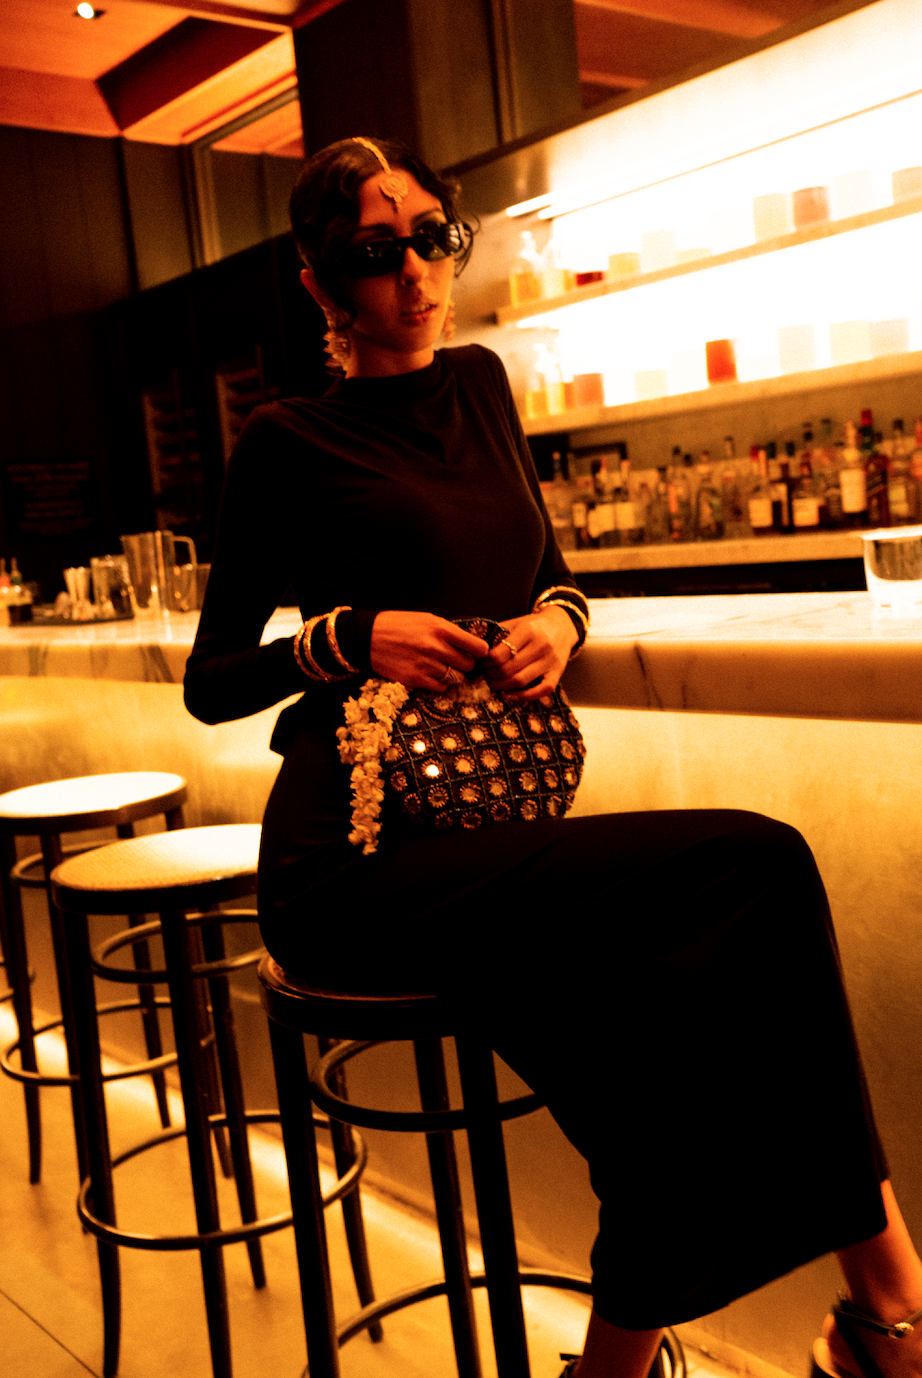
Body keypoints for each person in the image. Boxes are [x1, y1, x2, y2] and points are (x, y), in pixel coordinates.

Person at [183, 136, 922, 1378]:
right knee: (761, 863)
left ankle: (677, 1360)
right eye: (376, 252)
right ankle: (893, 1307)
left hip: (493, 841)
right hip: (354, 868)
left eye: (431, 236)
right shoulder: (285, 440)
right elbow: (211, 680)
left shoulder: (479, 385)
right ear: (320, 286)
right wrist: (346, 636)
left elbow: (544, 569)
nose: (416, 271)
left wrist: (557, 623)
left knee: (667, 1100)